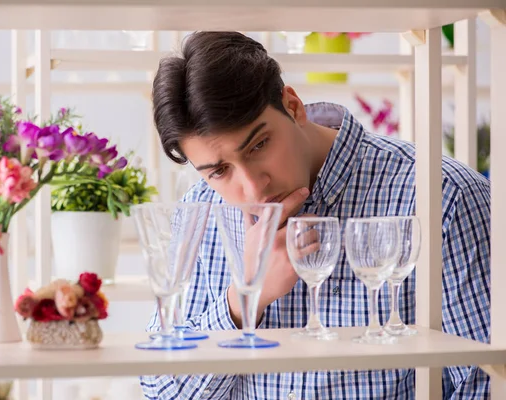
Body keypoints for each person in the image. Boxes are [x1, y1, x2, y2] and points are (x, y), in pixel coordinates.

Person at [139, 31, 491, 399]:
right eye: (219, 171)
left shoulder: (442, 196)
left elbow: (489, 381)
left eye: (259, 145)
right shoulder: (201, 209)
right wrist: (244, 300)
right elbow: (163, 390)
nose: (254, 187)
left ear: (292, 105)